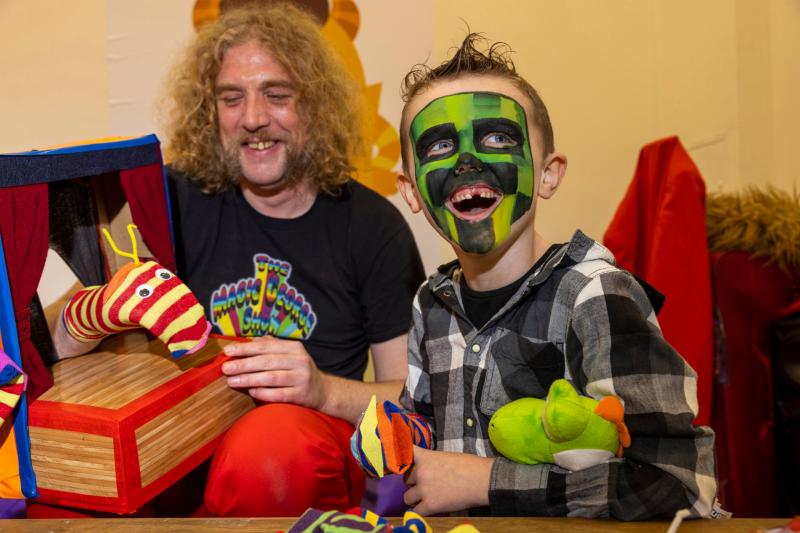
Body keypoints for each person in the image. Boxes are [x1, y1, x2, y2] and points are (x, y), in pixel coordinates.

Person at [393, 34, 717, 519]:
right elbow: (423, 451)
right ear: (411, 189)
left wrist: (487, 482)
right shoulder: (429, 303)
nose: (467, 163)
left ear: (548, 174)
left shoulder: (595, 294)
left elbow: (677, 485)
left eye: (498, 138)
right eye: (439, 145)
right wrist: (391, 442)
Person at [161, 4, 424, 516]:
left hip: (301, 454)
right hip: (187, 442)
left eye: (277, 95)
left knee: (272, 450)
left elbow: (410, 399)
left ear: (316, 105)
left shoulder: (373, 227)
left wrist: (322, 390)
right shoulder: (175, 200)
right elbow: (94, 306)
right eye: (231, 98)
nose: (253, 118)